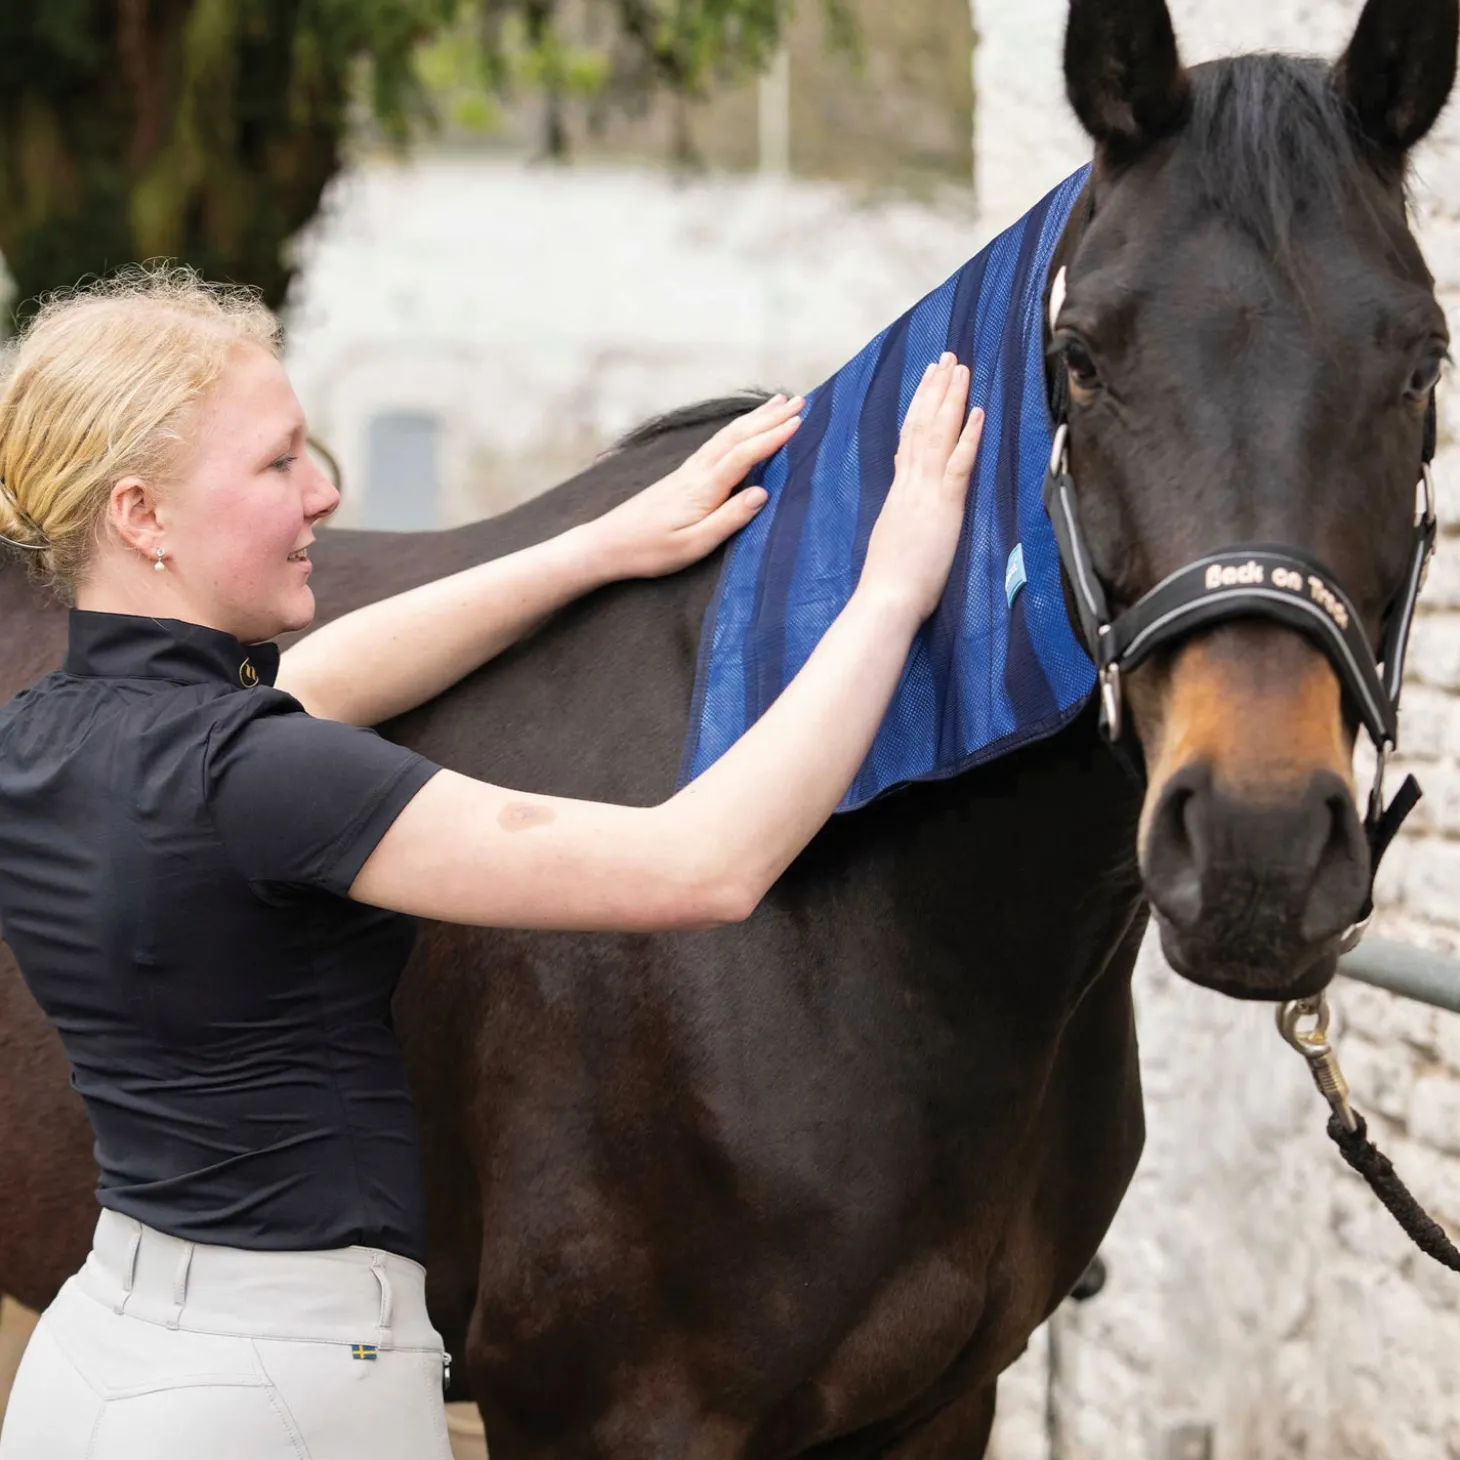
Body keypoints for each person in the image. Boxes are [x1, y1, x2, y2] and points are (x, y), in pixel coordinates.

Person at [0, 266, 984, 1459]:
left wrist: (598, 546)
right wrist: (891, 588)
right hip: (287, 1392)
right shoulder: (260, 779)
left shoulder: (43, 735)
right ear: (140, 515)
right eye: (276, 464)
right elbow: (705, 862)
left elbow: (323, 679)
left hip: (96, 1354)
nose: (326, 491)